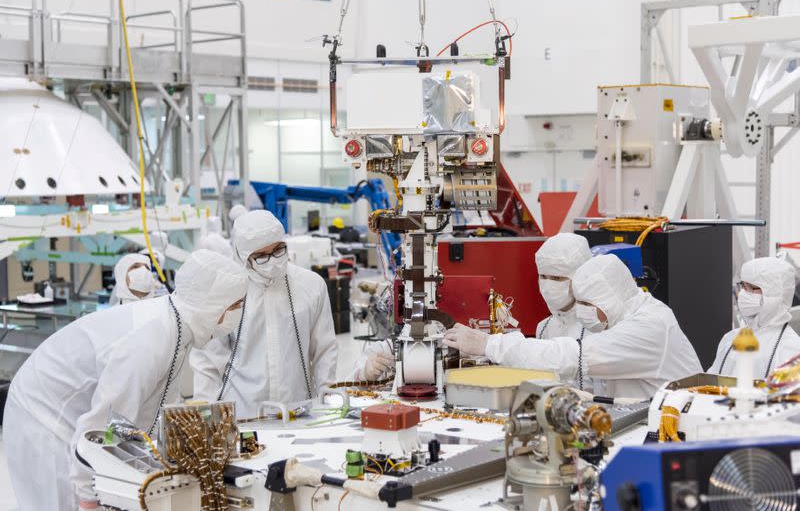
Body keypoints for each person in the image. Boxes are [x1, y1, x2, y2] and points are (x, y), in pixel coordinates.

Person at [3, 250, 247, 510]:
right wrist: (90, 496)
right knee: (64, 503)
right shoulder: (151, 338)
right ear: (212, 303)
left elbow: (159, 405)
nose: (237, 315)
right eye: (235, 306)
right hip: (43, 416)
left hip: (69, 414)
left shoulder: (177, 329)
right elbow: (103, 426)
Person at [444, 254, 702, 399]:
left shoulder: (650, 326)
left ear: (610, 298)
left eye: (587, 304)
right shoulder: (617, 316)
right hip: (634, 420)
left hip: (669, 434)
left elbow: (571, 357)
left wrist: (488, 344)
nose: (581, 312)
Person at [352, 232, 593, 382]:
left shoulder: (596, 326)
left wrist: (486, 346)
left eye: (558, 279)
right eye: (544, 277)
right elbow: (356, 372)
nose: (549, 286)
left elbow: (559, 357)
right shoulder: (546, 327)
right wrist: (365, 370)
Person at [191, 210, 337, 417]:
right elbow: (208, 361)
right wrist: (205, 414)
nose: (273, 261)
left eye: (279, 250)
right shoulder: (226, 293)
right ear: (243, 256)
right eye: (260, 256)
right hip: (242, 413)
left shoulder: (311, 285)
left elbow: (324, 349)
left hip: (297, 410)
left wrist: (327, 398)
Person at [709, 257, 800, 378]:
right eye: (744, 287)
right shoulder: (730, 339)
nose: (744, 294)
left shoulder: (791, 350)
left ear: (775, 293)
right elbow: (710, 382)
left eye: (752, 288)